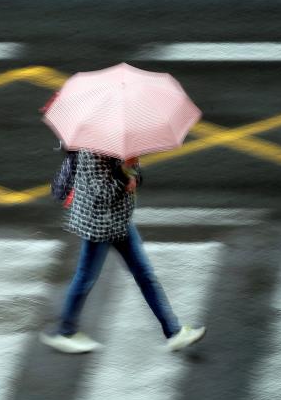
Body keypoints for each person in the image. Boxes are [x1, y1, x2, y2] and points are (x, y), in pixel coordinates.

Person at [40, 149, 206, 353]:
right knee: (86, 278)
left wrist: (133, 172)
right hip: (99, 225)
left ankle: (173, 332)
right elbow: (102, 193)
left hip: (120, 221)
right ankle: (65, 332)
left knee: (144, 275)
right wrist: (125, 171)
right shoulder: (92, 151)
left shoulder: (119, 143)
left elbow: (133, 175)